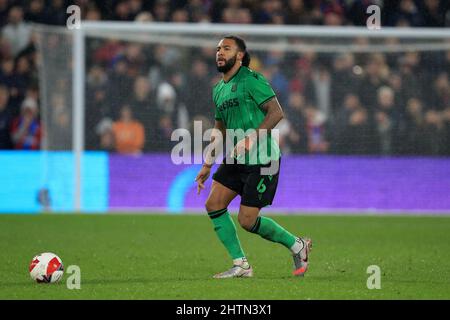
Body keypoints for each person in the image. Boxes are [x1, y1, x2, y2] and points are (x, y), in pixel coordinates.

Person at [195, 36, 312, 279]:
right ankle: (241, 265)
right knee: (213, 204)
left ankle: (297, 245)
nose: (219, 52)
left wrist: (251, 139)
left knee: (247, 220)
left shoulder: (252, 79)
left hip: (263, 158)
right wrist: (208, 163)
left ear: (239, 56)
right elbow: (220, 129)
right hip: (237, 158)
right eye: (218, 49)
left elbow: (276, 112)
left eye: (226, 48)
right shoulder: (218, 89)